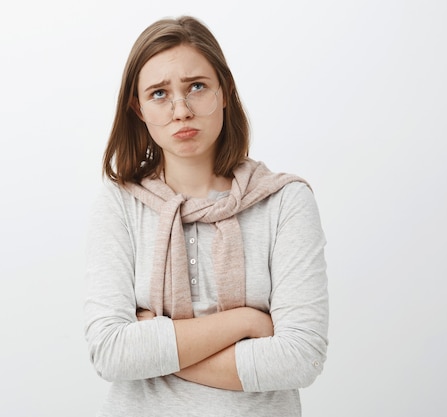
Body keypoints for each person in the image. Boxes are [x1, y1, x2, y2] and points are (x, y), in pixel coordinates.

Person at [84, 15, 328, 417]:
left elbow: (300, 358)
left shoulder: (286, 201)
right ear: (138, 108)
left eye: (197, 87)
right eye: (159, 93)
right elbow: (111, 354)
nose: (181, 110)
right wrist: (246, 322)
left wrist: (154, 351)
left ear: (225, 92)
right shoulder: (119, 204)